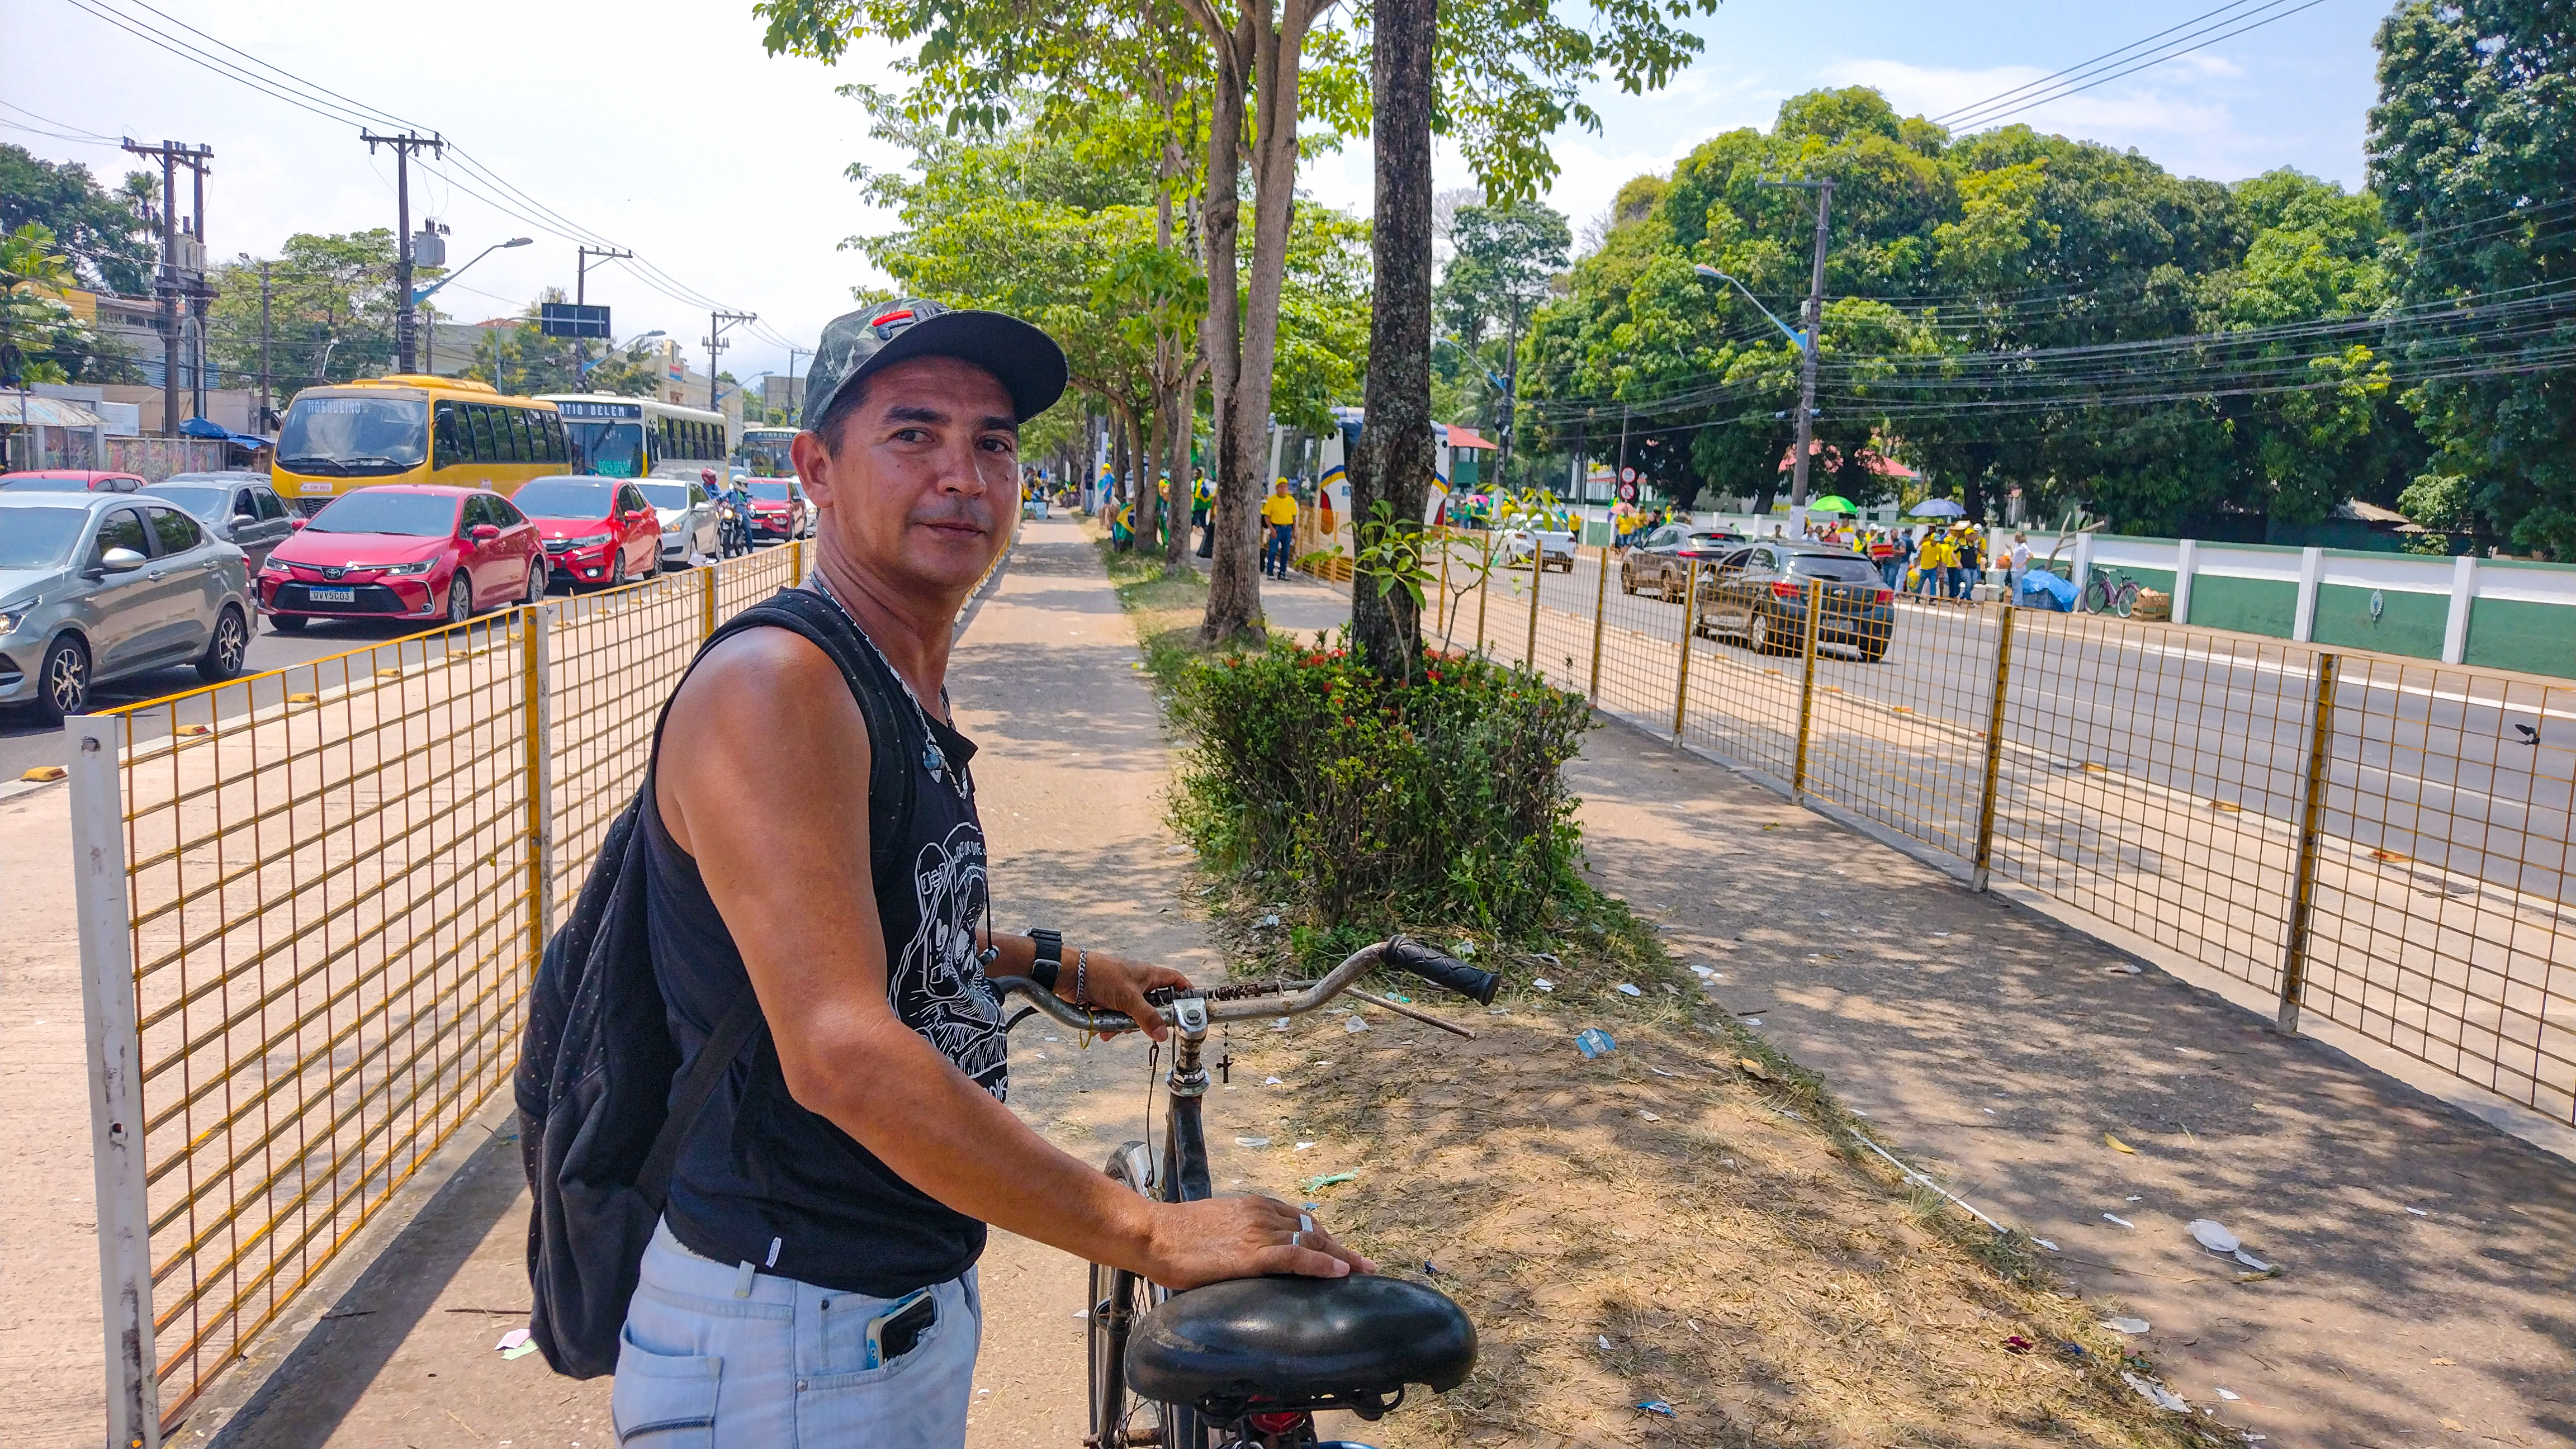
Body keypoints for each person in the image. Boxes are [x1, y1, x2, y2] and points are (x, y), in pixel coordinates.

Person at [618, 299, 1373, 1447]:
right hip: (787, 1341)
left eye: (994, 442)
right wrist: (1147, 1233)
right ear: (817, 469)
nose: (963, 476)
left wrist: (1051, 961)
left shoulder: (893, 678)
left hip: (874, 1315)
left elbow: (869, 921)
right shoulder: (780, 686)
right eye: (913, 434)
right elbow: (836, 1051)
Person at [1261, 477, 1299, 578]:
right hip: (1276, 528)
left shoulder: (1291, 501)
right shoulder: (1272, 500)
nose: (1283, 489)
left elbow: (1294, 517)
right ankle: (1270, 572)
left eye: (1285, 487)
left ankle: (1282, 573)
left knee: (1286, 553)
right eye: (1281, 487)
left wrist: (1294, 530)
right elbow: (1267, 517)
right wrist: (1271, 529)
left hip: (1287, 529)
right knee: (1273, 551)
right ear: (1277, 488)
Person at [2007, 530, 2033, 603]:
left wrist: (2023, 564)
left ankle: (2017, 602)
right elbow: (2015, 556)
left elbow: (2031, 555)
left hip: (2019, 570)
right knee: (2015, 587)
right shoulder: (2018, 546)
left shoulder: (2024, 546)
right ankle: (2016, 601)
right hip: (2015, 569)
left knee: (2017, 587)